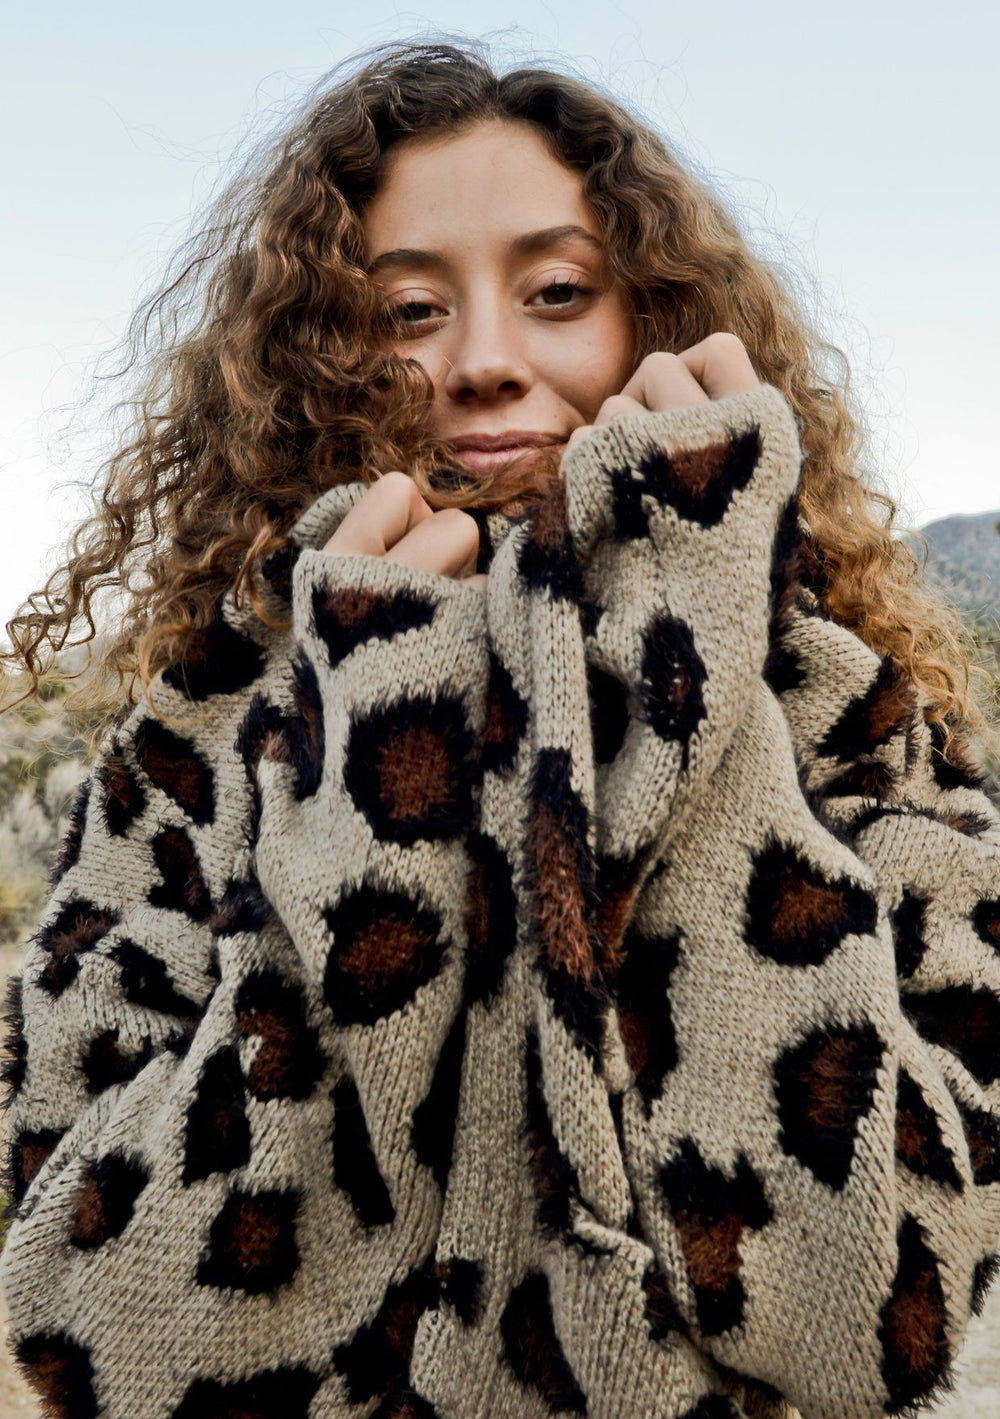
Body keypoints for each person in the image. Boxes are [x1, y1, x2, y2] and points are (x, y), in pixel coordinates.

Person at [1, 38, 999, 1419]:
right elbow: (101, 1342)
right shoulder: (197, 739)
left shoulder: (850, 715)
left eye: (556, 292)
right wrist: (375, 763)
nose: (480, 363)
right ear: (317, 355)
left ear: (648, 317)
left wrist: (686, 680)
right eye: (407, 310)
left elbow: (880, 1325)